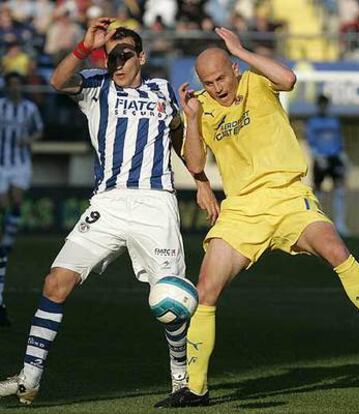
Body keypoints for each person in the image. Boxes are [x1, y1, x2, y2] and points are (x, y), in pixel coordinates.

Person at [155, 27, 359, 407]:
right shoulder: (203, 108)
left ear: (234, 69)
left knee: (335, 250)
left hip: (289, 197)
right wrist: (192, 118)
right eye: (209, 83)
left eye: (222, 78)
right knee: (206, 290)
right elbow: (194, 163)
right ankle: (195, 389)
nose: (217, 88)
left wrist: (241, 49)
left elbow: (289, 79)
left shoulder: (258, 82)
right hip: (243, 209)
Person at [0, 20, 204, 405]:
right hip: (106, 204)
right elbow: (58, 82)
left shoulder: (162, 92)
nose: (118, 63)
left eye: (126, 55)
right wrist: (82, 45)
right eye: (112, 57)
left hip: (154, 202)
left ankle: (181, 381)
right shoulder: (96, 85)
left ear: (142, 56)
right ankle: (29, 378)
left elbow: (191, 158)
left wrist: (194, 133)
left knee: (169, 300)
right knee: (55, 282)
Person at [0, 71, 43, 327]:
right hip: (2, 163)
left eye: (18, 85)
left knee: (16, 201)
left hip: (21, 163)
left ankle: (9, 239)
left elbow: (38, 130)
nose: (15, 89)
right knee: (4, 203)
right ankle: (6, 240)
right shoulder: (1, 107)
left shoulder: (28, 109)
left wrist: (30, 139)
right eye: (12, 86)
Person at [306, 94, 350, 236]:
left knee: (339, 190)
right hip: (321, 158)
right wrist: (317, 156)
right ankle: (318, 223)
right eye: (321, 104)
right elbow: (310, 142)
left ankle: (340, 224)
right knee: (318, 191)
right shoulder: (313, 122)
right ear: (318, 105)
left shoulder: (334, 121)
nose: (323, 107)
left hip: (334, 158)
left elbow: (339, 140)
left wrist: (343, 156)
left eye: (325, 104)